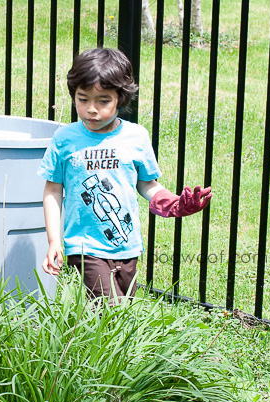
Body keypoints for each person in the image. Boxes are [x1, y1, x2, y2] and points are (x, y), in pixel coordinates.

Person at [38, 47, 211, 301]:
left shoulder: (136, 137)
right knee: (108, 309)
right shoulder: (64, 140)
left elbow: (147, 184)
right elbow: (53, 191)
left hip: (127, 246)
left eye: (103, 101)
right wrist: (54, 240)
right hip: (85, 245)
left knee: (119, 312)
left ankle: (86, 341)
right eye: (83, 99)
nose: (92, 109)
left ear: (121, 98)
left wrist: (173, 204)